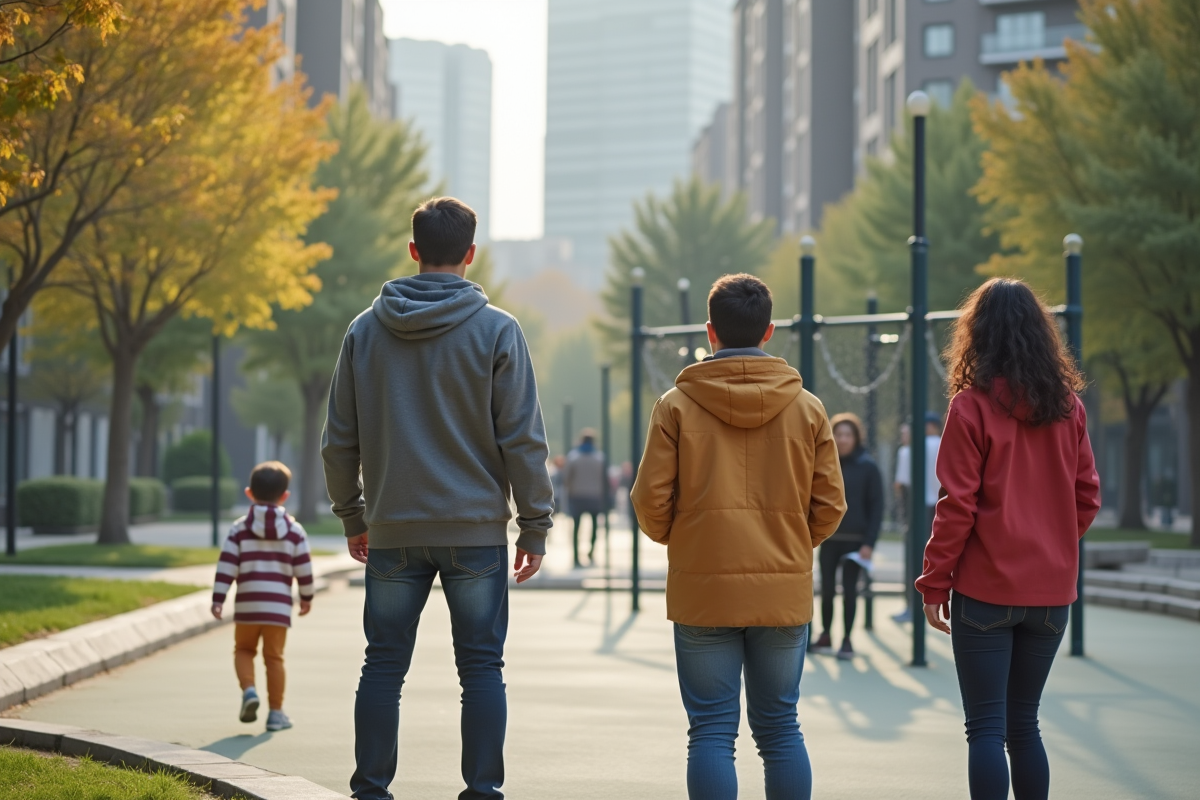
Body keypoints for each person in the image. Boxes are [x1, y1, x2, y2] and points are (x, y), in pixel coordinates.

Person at [322, 196, 554, 800]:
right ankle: (482, 791)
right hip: (475, 532)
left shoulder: (364, 330)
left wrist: (352, 515)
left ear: (413, 251)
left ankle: (370, 789)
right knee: (481, 669)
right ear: (471, 254)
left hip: (393, 528)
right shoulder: (499, 330)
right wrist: (534, 525)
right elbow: (523, 439)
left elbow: (338, 441)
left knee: (382, 666)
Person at [631, 273, 846, 800]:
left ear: (710, 331)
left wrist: (683, 541)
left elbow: (649, 501)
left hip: (703, 588)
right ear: (769, 331)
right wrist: (791, 545)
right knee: (779, 728)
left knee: (710, 731)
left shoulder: (675, 406)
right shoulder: (809, 408)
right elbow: (830, 505)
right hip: (782, 590)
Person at [916, 278, 1100, 800]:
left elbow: (957, 506)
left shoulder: (969, 408)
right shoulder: (1070, 409)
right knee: (1025, 725)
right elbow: (1087, 496)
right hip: (1050, 596)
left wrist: (934, 583)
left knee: (986, 730)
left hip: (985, 591)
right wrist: (1052, 540)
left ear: (977, 336)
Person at [211, 461, 314, 733]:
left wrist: (218, 598)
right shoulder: (294, 532)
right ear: (285, 497)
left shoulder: (239, 529)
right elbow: (303, 567)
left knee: (244, 650)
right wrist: (306, 596)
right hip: (277, 609)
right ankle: (276, 713)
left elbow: (227, 566)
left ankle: (249, 691)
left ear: (249, 493)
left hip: (247, 606)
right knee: (274, 658)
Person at [813, 412, 882, 660]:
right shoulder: (823, 463)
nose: (842, 439)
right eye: (838, 434)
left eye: (847, 435)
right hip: (829, 539)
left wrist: (869, 543)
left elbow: (876, 507)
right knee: (828, 590)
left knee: (850, 590)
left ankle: (846, 640)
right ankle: (825, 635)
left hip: (855, 542)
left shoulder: (868, 466)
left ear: (855, 438)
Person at [892, 413, 942, 624]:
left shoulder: (908, 451)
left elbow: (899, 484)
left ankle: (913, 607)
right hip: (943, 510)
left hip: (918, 510)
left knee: (916, 559)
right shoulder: (945, 445)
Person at [563, 428, 606, 567]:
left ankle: (576, 557)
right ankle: (591, 553)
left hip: (577, 496)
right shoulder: (600, 458)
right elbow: (604, 479)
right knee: (594, 528)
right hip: (594, 496)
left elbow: (566, 478)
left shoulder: (573, 457)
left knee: (576, 528)